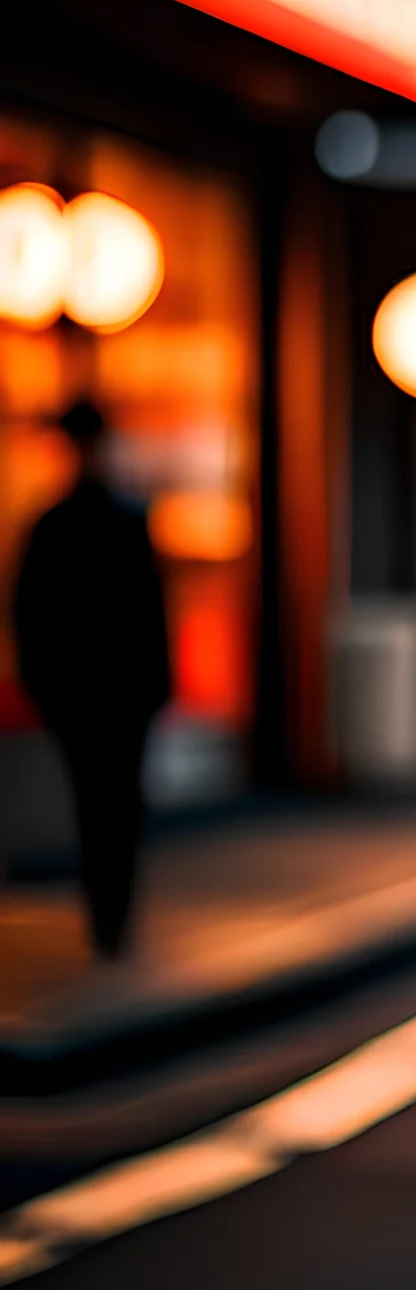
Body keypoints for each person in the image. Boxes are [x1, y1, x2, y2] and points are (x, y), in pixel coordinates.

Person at [11, 398, 171, 956]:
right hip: (106, 691)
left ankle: (110, 916)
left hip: (93, 692)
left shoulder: (63, 523)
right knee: (114, 801)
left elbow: (30, 613)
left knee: (102, 801)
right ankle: (112, 917)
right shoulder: (108, 520)